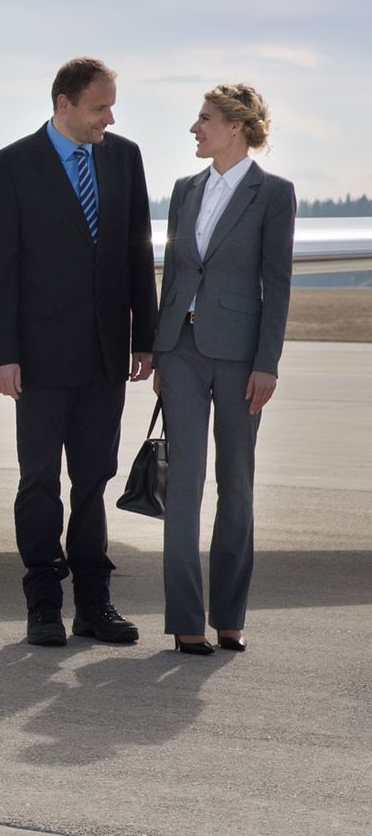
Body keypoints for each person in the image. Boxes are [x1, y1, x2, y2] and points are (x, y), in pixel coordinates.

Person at [0, 57, 158, 648]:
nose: (110, 116)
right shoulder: (8, 168)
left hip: (106, 355)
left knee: (93, 479)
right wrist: (1, 353)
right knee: (39, 482)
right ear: (64, 105)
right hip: (39, 358)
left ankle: (94, 604)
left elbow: (138, 252)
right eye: (100, 106)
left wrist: (145, 339)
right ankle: (43, 604)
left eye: (111, 105)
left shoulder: (123, 157)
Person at [151, 84, 293, 655]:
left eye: (204, 119)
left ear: (235, 126)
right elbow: (173, 274)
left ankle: (230, 615)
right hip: (181, 352)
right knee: (184, 486)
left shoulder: (273, 193)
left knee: (236, 485)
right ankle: (186, 621)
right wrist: (160, 350)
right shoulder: (185, 191)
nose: (194, 128)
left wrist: (268, 364)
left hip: (241, 359)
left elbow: (277, 284)